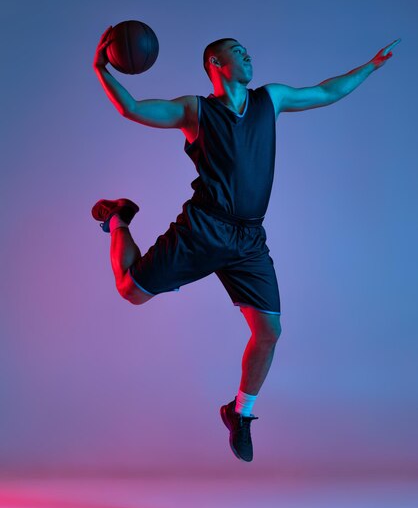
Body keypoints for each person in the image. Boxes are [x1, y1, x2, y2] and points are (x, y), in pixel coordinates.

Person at [91, 27, 400, 462]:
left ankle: (241, 413)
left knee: (269, 332)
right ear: (216, 65)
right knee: (129, 290)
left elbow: (327, 91)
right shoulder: (195, 110)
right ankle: (120, 217)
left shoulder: (269, 99)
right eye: (238, 52)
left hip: (250, 238)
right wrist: (101, 68)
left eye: (248, 50)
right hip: (205, 229)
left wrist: (370, 67)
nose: (248, 55)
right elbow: (133, 109)